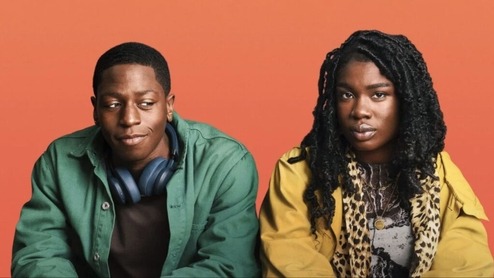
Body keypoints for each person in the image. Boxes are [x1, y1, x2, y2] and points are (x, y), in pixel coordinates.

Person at [12, 42, 260, 277]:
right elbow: (38, 256)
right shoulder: (59, 161)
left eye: (146, 103)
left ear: (169, 106)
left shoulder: (225, 163)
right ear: (95, 110)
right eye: (112, 104)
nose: (129, 118)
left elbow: (228, 266)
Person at [259, 30, 494, 277]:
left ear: (405, 100)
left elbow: (467, 268)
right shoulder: (298, 171)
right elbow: (291, 263)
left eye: (378, 95)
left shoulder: (438, 173)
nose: (360, 110)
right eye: (346, 95)